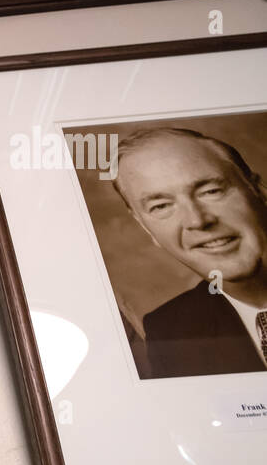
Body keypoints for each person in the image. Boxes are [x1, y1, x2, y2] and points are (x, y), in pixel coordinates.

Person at [112, 128, 267, 378]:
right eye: (161, 206)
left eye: (211, 191)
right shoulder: (169, 331)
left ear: (258, 190)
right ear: (145, 228)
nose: (197, 220)